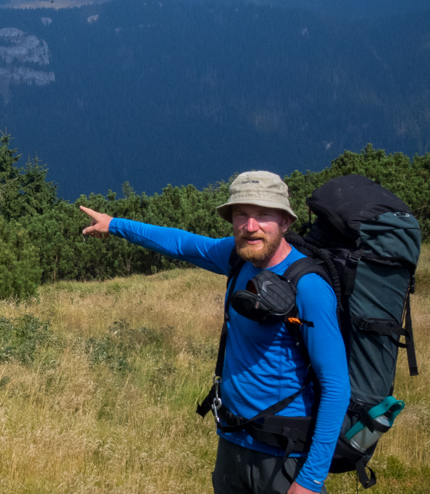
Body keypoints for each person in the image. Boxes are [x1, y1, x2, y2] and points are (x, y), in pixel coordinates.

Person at [80, 171, 349, 494]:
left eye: (263, 215)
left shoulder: (309, 288)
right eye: (241, 215)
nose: (251, 227)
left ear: (286, 222)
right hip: (232, 442)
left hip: (285, 458)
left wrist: (311, 479)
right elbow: (179, 243)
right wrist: (114, 225)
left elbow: (335, 386)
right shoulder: (236, 257)